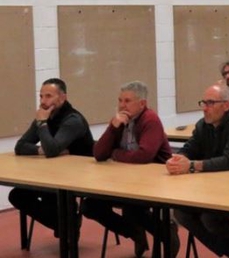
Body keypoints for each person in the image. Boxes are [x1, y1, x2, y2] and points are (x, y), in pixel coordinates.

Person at [82, 81, 174, 258]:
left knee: (133, 208)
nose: (122, 105)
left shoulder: (150, 120)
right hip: (123, 181)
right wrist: (112, 127)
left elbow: (144, 156)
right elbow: (99, 153)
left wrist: (115, 153)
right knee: (89, 205)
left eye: (127, 101)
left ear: (142, 104)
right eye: (120, 100)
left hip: (154, 182)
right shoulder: (120, 120)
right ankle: (134, 233)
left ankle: (166, 233)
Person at [168, 83, 229, 258]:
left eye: (210, 103)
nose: (204, 108)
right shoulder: (204, 125)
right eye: (203, 103)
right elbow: (189, 148)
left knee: (209, 218)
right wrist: (178, 159)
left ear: (226, 105)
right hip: (212, 187)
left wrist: (193, 165)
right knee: (181, 212)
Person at [10, 78, 94, 238]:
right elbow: (20, 146)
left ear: (63, 98)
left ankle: (67, 226)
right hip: (52, 174)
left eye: (48, 96)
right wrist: (41, 149)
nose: (43, 101)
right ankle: (67, 226)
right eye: (41, 96)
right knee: (17, 195)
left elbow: (52, 149)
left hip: (78, 176)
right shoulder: (45, 116)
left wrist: (42, 125)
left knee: (54, 195)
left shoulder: (73, 120)